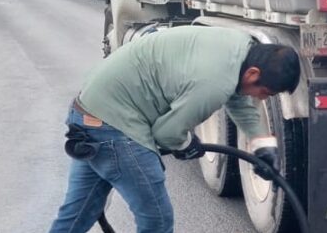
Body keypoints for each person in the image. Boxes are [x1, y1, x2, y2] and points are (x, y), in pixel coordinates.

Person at [49, 26, 300, 233]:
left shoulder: (239, 47)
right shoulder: (213, 83)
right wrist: (187, 144)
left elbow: (237, 97)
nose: (263, 99)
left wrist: (260, 141)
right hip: (116, 127)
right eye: (265, 92)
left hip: (89, 112)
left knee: (78, 213)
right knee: (157, 221)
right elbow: (167, 134)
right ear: (253, 73)